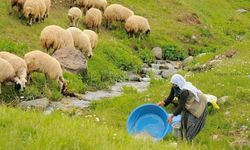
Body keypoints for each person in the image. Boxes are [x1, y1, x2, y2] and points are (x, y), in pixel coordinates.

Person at [157, 74, 208, 142]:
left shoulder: (185, 91)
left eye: (174, 84)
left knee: (191, 123)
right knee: (184, 121)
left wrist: (172, 116)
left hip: (198, 104)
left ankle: (189, 142)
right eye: (172, 84)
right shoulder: (175, 88)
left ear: (178, 84)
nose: (173, 85)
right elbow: (170, 98)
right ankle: (184, 139)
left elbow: (181, 106)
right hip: (189, 103)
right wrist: (161, 103)